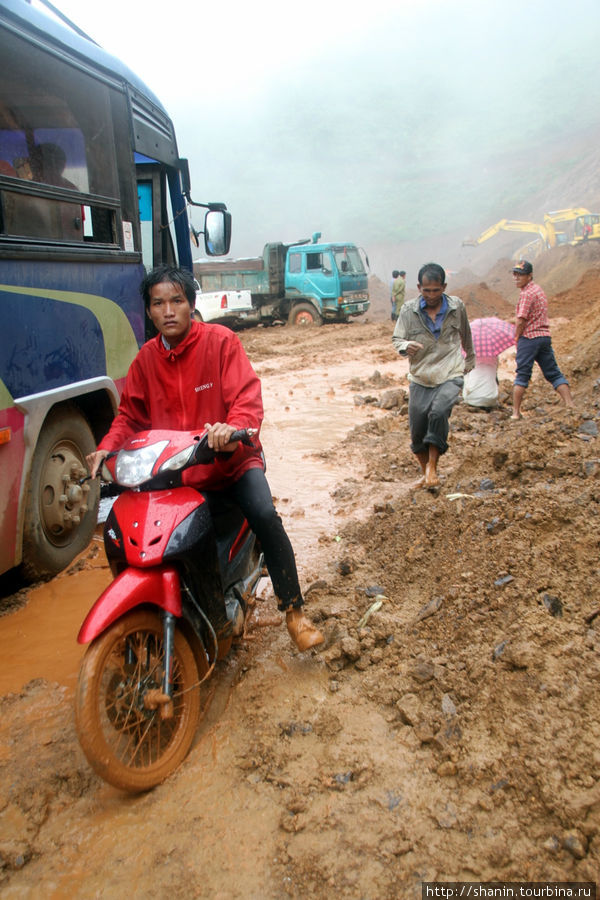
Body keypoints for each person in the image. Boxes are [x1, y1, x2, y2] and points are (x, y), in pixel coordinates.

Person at [86, 265, 324, 653]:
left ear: (191, 305)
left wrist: (234, 430)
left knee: (264, 514)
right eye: (158, 303)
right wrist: (106, 447)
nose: (168, 311)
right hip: (176, 475)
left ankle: (294, 610)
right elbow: (128, 416)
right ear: (148, 311)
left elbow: (246, 400)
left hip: (231, 465)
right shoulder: (146, 360)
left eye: (176, 301)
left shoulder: (222, 342)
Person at [392, 262, 475, 488]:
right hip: (421, 374)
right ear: (419, 287)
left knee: (438, 412)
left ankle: (433, 468)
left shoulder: (456, 307)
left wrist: (470, 359)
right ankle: (426, 471)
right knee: (417, 429)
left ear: (444, 287)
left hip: (450, 370)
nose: (431, 295)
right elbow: (396, 339)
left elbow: (466, 334)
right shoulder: (408, 311)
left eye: (436, 290)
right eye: (426, 290)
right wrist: (405, 345)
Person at [510, 259, 574, 420]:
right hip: (544, 337)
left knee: (522, 375)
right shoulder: (538, 290)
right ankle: (570, 405)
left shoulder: (526, 294)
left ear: (529, 276)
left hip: (529, 338)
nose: (516, 278)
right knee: (553, 373)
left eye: (520, 275)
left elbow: (521, 320)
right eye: (515, 274)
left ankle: (515, 413)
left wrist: (517, 337)